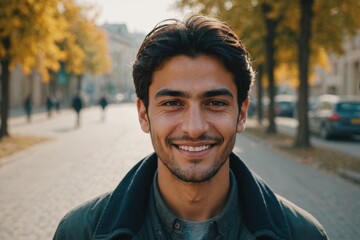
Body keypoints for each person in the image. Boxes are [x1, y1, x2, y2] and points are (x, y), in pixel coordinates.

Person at [53, 15, 328, 239]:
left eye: (215, 103)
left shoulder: (303, 234)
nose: (194, 128)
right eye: (173, 103)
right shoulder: (79, 232)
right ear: (143, 115)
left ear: (241, 113)